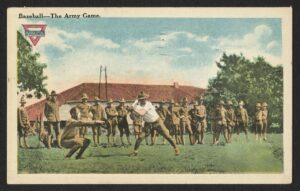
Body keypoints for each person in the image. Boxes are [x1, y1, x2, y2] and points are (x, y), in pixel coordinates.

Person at [39, 107, 105, 159]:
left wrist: (96, 123)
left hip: (71, 140)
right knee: (79, 143)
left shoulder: (76, 120)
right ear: (73, 114)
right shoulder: (70, 121)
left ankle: (78, 156)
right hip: (64, 141)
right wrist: (95, 122)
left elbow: (85, 121)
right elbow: (81, 122)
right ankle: (68, 156)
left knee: (87, 141)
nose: (79, 114)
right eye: (78, 113)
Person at [129, 91, 180, 156]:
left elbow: (142, 112)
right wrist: (132, 108)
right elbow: (134, 111)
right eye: (141, 99)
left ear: (146, 99)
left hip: (157, 122)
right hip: (148, 124)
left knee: (167, 136)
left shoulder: (148, 104)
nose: (143, 100)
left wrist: (133, 108)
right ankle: (135, 152)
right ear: (139, 100)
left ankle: (176, 149)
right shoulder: (137, 104)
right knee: (140, 137)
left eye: (144, 99)